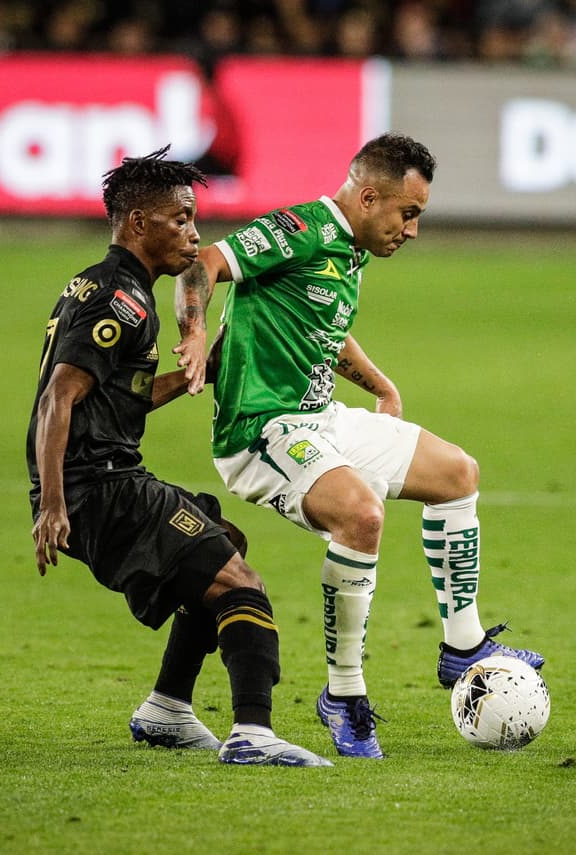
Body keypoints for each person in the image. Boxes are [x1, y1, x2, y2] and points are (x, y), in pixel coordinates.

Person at [172, 132, 544, 760]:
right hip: (262, 430)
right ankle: (343, 694)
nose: (413, 230)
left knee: (458, 473)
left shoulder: (350, 251)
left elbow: (325, 331)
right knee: (361, 516)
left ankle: (463, 646)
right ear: (369, 197)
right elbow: (201, 263)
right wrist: (195, 328)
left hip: (320, 420)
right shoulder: (300, 229)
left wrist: (380, 383)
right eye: (409, 213)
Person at [28, 146, 331, 768]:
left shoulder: (109, 283)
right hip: (100, 489)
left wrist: (202, 372)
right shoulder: (121, 299)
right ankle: (253, 734)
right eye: (181, 220)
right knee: (239, 581)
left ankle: (168, 707)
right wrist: (54, 506)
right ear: (138, 223)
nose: (195, 235)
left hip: (104, 480)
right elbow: (59, 399)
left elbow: (117, 396)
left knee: (223, 541)